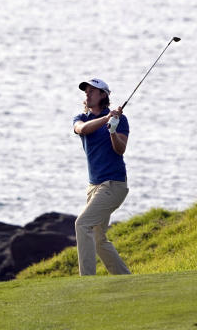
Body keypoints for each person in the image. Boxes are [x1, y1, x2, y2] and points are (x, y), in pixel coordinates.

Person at [72, 78, 131, 276]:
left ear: (103, 95)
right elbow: (82, 129)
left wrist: (113, 131)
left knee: (82, 224)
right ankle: (125, 279)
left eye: (92, 91)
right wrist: (106, 120)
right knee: (98, 240)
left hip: (114, 185)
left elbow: (120, 150)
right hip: (94, 187)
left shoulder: (120, 120)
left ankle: (86, 281)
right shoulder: (81, 118)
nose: (87, 94)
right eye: (86, 91)